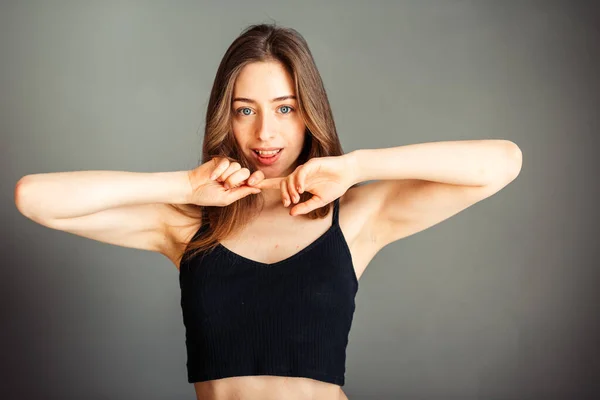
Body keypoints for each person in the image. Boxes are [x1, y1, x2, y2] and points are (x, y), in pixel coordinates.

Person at [14, 23, 522, 400]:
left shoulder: (354, 216)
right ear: (226, 117)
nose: (265, 133)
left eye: (285, 107)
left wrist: (356, 166)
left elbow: (503, 162)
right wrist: (186, 184)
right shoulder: (190, 224)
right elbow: (33, 198)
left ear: (310, 113)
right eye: (245, 110)